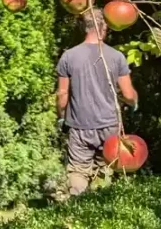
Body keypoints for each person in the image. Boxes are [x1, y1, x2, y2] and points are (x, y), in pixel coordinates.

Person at [56, 10, 138, 197]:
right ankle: (104, 210)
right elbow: (128, 94)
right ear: (105, 26)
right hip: (110, 126)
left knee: (78, 170)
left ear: (84, 27)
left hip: (79, 126)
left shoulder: (68, 56)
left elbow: (62, 95)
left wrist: (62, 117)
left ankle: (78, 211)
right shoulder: (116, 56)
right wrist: (134, 104)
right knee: (107, 168)